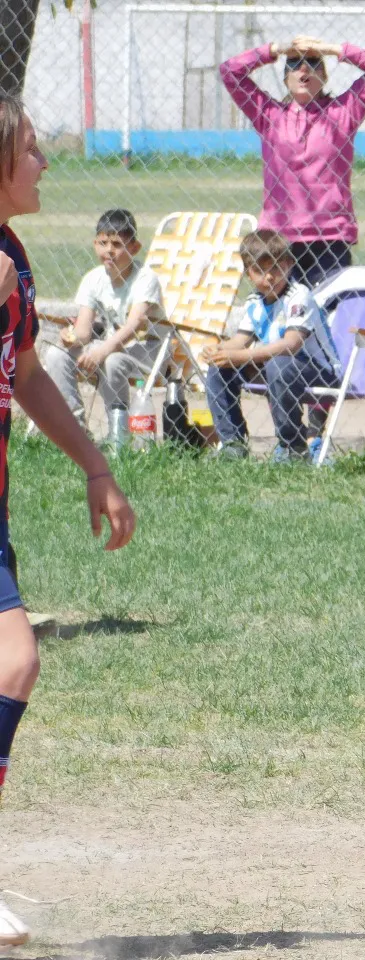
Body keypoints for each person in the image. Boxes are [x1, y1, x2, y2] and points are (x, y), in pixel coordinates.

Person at [0, 91, 136, 947]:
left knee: (15, 664)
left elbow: (24, 373)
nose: (45, 161)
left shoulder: (11, 255)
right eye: (31, 148)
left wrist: (96, 465)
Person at [220, 35, 365, 286]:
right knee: (282, 313)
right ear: (285, 79)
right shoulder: (268, 115)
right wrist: (275, 49)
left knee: (328, 313)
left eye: (313, 63)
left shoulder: (344, 112)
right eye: (293, 64)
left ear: (323, 77)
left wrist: (331, 49)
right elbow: (230, 71)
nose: (303, 69)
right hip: (279, 237)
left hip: (330, 235)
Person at [201, 230, 339, 462]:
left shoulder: (299, 295)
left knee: (279, 363)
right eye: (259, 270)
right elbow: (240, 341)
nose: (269, 277)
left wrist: (241, 356)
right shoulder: (255, 302)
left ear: (289, 265)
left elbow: (291, 344)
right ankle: (232, 443)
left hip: (320, 371)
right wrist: (220, 350)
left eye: (276, 267)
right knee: (219, 367)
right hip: (276, 369)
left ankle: (292, 445)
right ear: (248, 273)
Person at [42, 209, 167, 450]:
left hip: (149, 351)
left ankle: (117, 432)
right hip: (110, 347)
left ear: (134, 248)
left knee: (111, 360)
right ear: (94, 244)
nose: (109, 250)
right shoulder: (93, 279)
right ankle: (75, 431)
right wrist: (71, 337)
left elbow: (134, 326)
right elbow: (84, 333)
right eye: (103, 242)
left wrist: (100, 352)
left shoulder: (145, 278)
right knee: (56, 354)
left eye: (118, 244)